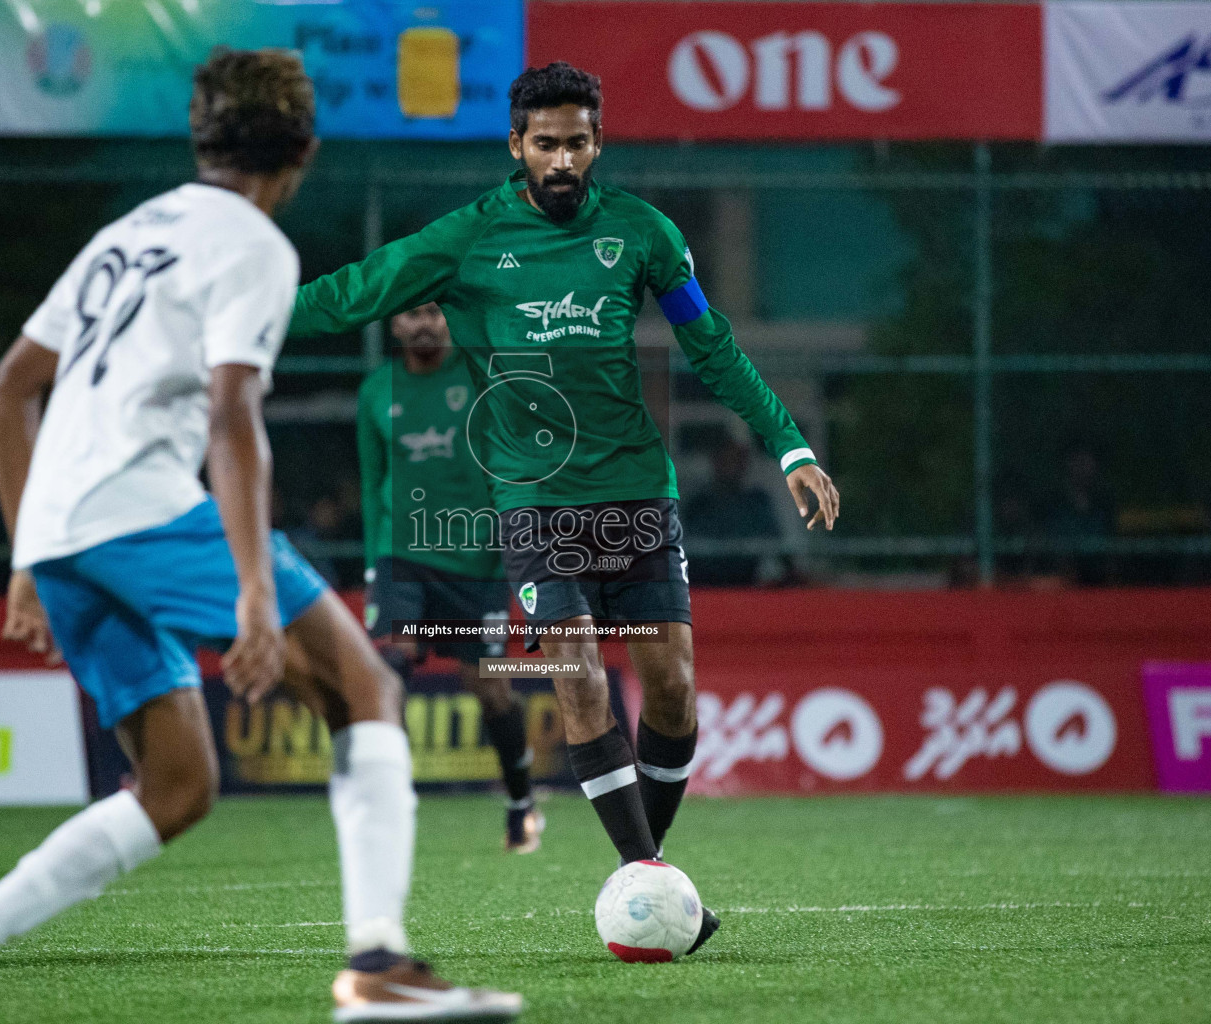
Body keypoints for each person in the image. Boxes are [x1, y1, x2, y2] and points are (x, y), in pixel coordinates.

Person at [0, 48, 519, 1024]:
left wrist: (26, 560)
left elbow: (8, 389)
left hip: (61, 533)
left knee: (177, 783)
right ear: (302, 150)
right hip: (141, 509)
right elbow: (231, 418)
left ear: (201, 140)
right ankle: (378, 964)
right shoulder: (254, 246)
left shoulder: (128, 233)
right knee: (365, 685)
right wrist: (256, 589)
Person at [290, 61, 840, 956]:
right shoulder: (467, 238)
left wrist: (792, 445)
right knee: (577, 671)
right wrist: (237, 317)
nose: (561, 159)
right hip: (535, 501)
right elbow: (350, 291)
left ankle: (643, 872)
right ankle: (650, 883)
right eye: (544, 143)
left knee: (672, 684)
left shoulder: (645, 234)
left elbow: (715, 347)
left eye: (577, 142)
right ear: (516, 146)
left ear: (596, 143)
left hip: (635, 492)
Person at [357, 302, 543, 853]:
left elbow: (514, 466)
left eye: (435, 312)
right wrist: (373, 568)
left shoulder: (481, 376)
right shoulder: (374, 392)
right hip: (401, 553)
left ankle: (519, 800)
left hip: (476, 560)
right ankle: (387, 805)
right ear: (392, 324)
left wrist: (514, 553)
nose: (423, 324)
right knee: (392, 662)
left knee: (487, 688)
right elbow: (373, 486)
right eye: (411, 314)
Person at [681, 439, 788, 586]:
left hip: (745, 587)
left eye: (739, 460)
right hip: (702, 587)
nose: (733, 466)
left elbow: (778, 546)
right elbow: (688, 548)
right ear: (716, 462)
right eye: (726, 460)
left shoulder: (756, 502)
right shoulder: (698, 504)